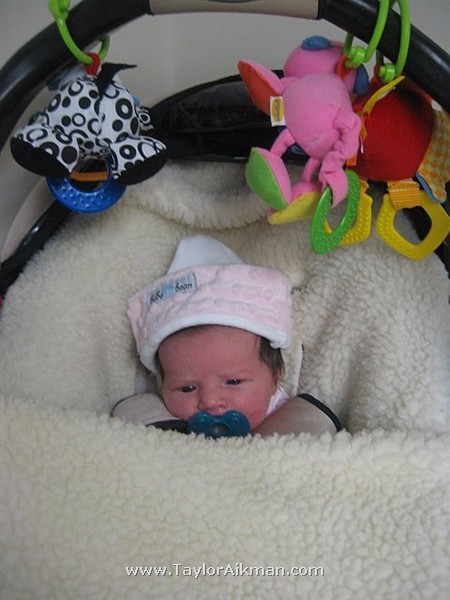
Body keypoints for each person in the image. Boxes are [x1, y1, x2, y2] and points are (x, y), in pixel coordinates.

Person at [112, 235, 341, 436]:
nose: (210, 402)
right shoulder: (160, 417)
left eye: (233, 382)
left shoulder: (297, 421)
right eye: (187, 388)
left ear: (274, 378)